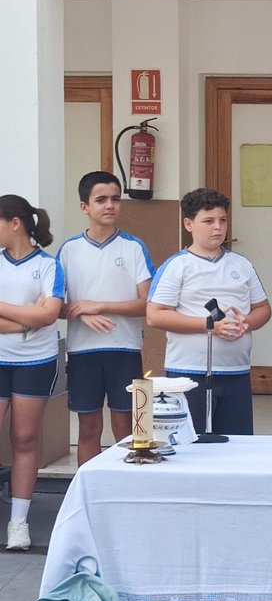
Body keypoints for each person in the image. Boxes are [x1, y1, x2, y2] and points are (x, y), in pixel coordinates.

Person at [146, 188, 271, 436]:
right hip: (189, 371)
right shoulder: (177, 266)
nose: (218, 227)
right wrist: (209, 325)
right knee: (191, 444)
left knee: (237, 445)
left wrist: (246, 323)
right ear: (189, 224)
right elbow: (155, 315)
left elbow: (263, 309)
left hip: (236, 370)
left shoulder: (242, 264)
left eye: (222, 220)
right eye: (209, 221)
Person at [57, 171, 154, 464]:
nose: (110, 205)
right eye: (101, 200)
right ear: (84, 207)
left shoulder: (134, 247)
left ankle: (130, 484)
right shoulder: (69, 250)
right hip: (82, 351)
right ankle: (89, 486)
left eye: (115, 199)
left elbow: (147, 304)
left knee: (129, 428)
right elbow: (55, 307)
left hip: (125, 348)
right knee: (88, 428)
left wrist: (98, 306)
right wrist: (81, 312)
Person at [0, 196, 64, 550]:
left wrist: (18, 316)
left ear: (15, 223)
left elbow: (48, 315)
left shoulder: (49, 266)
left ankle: (19, 522)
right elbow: (37, 316)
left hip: (36, 362)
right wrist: (26, 320)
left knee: (25, 437)